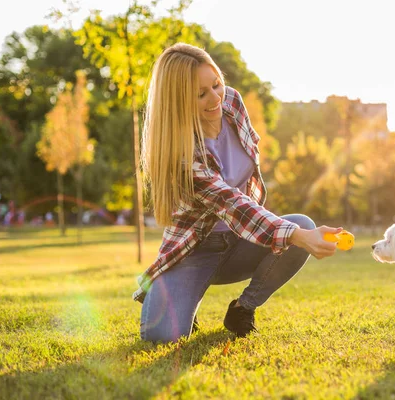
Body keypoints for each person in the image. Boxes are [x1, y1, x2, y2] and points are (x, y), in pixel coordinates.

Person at [136, 43, 342, 343]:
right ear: (177, 102)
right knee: (160, 337)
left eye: (216, 84)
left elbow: (246, 194)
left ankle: (242, 308)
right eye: (200, 94)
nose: (215, 98)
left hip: (240, 239)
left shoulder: (231, 102)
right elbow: (230, 202)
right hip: (196, 249)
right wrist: (296, 235)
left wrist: (299, 235)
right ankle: (180, 296)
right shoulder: (181, 155)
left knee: (303, 225)